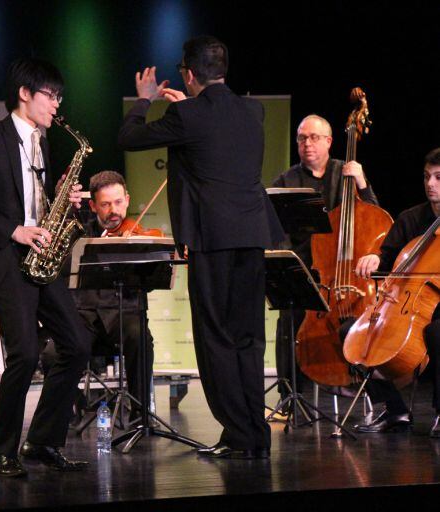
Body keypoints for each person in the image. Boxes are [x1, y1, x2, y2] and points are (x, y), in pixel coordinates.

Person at [117, 35, 284, 459]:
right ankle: (252, 434)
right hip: (252, 236)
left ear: (189, 74)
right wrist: (184, 109)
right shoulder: (254, 109)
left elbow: (129, 137)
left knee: (216, 339)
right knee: (248, 339)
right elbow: (213, 126)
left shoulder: (187, 115)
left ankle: (240, 432)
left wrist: (146, 101)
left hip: (213, 240)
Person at [0, 57, 90, 477]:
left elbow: (35, 200)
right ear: (24, 94)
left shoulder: (42, 143)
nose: (56, 104)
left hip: (40, 258)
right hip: (6, 258)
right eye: (50, 95)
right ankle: (5, 451)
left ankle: (43, 441)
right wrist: (14, 230)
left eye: (59, 96)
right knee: (25, 354)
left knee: (78, 345)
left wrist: (65, 205)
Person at [272, 115, 379, 399]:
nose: (307, 143)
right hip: (304, 268)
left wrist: (362, 182)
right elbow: (274, 226)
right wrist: (287, 260)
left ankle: (359, 380)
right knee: (288, 321)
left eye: (314, 137)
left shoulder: (345, 173)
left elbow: (374, 217)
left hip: (342, 273)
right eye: (302, 138)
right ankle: (288, 394)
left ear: (330, 141)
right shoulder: (287, 180)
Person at [41, 170, 154, 415]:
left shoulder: (138, 235)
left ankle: (140, 412)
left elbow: (153, 279)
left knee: (140, 337)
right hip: (85, 317)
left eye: (118, 202)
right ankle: (75, 405)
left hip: (124, 314)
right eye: (105, 204)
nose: (113, 210)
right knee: (51, 353)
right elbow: (63, 270)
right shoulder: (79, 233)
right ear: (93, 206)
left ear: (127, 199)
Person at [350, 148, 440, 435]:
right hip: (407, 302)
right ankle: (394, 409)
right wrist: (375, 258)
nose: (430, 184)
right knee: (352, 336)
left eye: (439, 178)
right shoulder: (410, 218)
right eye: (427, 177)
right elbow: (386, 257)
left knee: (438, 333)